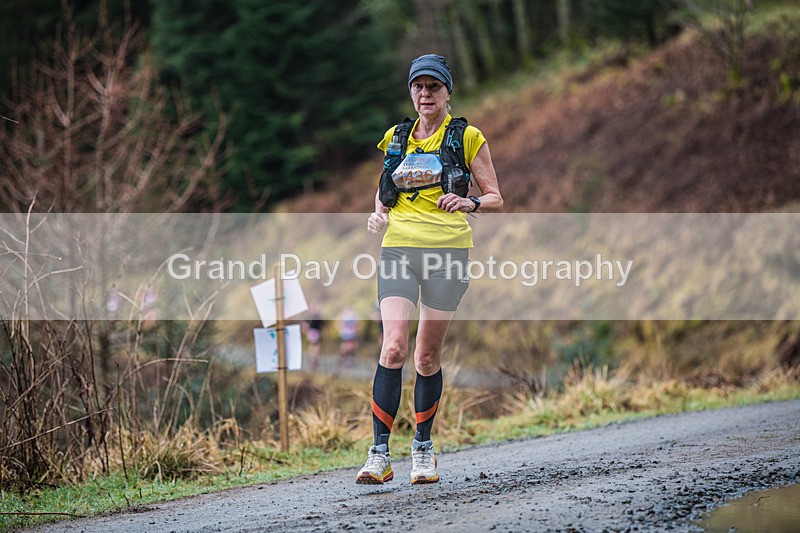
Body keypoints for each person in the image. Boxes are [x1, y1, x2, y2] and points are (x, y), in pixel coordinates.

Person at [358, 54, 502, 485]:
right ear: (411, 92)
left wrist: (468, 201)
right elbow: (385, 191)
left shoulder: (467, 136)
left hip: (448, 254)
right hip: (399, 249)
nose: (425, 95)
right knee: (394, 348)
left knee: (425, 356)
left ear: (447, 93)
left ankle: (422, 448)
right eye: (418, 87)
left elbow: (495, 196)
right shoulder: (396, 137)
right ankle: (379, 455)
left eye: (433, 87)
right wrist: (378, 214)